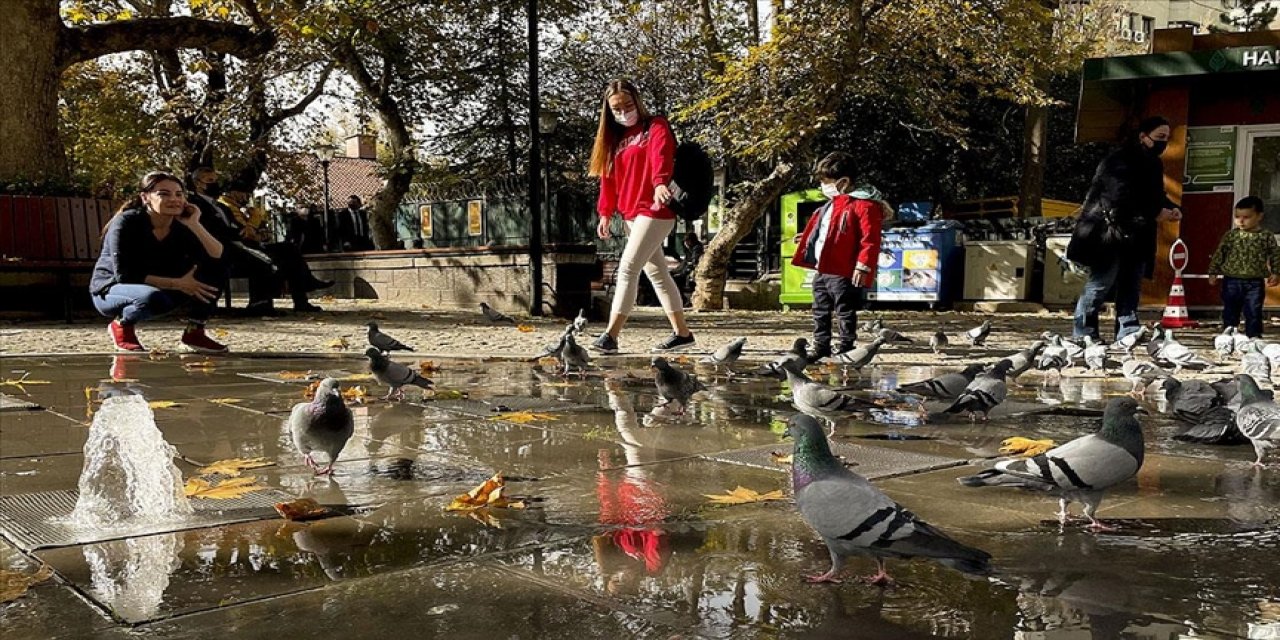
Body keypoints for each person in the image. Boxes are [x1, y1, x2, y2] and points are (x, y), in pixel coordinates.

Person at [588, 79, 694, 353]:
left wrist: (660, 182)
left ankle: (610, 336)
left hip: (656, 208)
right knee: (657, 273)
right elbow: (607, 180)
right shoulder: (613, 140)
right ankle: (682, 333)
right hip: (631, 213)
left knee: (627, 268)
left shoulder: (655, 125)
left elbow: (662, 155)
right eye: (616, 108)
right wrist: (604, 213)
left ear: (637, 101)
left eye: (627, 105)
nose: (623, 111)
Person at [1070, 115, 1184, 342]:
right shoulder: (1118, 160)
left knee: (1131, 286)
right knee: (1100, 284)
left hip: (1138, 235)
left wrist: (1171, 208)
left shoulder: (1154, 162)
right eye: (1160, 137)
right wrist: (1154, 212)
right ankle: (1084, 334)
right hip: (1109, 234)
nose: (1164, 142)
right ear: (1143, 136)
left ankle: (1128, 332)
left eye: (1167, 138)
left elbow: (1156, 195)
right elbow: (1116, 197)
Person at [90, 171, 229, 353]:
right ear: (145, 197)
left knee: (218, 268)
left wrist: (194, 224)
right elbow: (125, 274)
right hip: (113, 289)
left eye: (179, 194)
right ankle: (121, 325)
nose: (174, 199)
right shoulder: (126, 222)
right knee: (151, 298)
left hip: (162, 286)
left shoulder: (182, 224)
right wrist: (178, 284)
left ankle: (194, 332)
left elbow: (217, 254)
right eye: (164, 194)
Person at [790, 152, 884, 360]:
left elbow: (870, 239)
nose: (823, 186)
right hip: (823, 267)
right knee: (820, 308)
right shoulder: (830, 205)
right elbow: (825, 231)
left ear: (843, 182)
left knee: (844, 308)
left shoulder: (865, 206)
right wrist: (806, 239)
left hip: (843, 268)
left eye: (826, 181)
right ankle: (821, 345)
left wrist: (862, 266)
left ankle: (846, 345)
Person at [1207, 196, 1278, 338]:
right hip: (1231, 281)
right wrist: (1213, 271)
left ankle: (1254, 338)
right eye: (1237, 216)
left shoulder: (1266, 236)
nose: (1241, 221)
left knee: (1253, 310)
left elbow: (1275, 254)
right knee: (1230, 310)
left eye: (1246, 217)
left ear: (1259, 216)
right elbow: (1220, 253)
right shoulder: (1231, 235)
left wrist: (1276, 272)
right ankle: (1229, 336)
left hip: (1255, 282)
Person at [673, 232, 704, 298]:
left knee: (676, 280)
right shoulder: (690, 249)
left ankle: (683, 298)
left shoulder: (697, 248)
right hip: (687, 270)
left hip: (692, 271)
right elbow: (685, 261)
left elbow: (693, 262)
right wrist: (676, 270)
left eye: (687, 241)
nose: (686, 243)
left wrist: (681, 273)